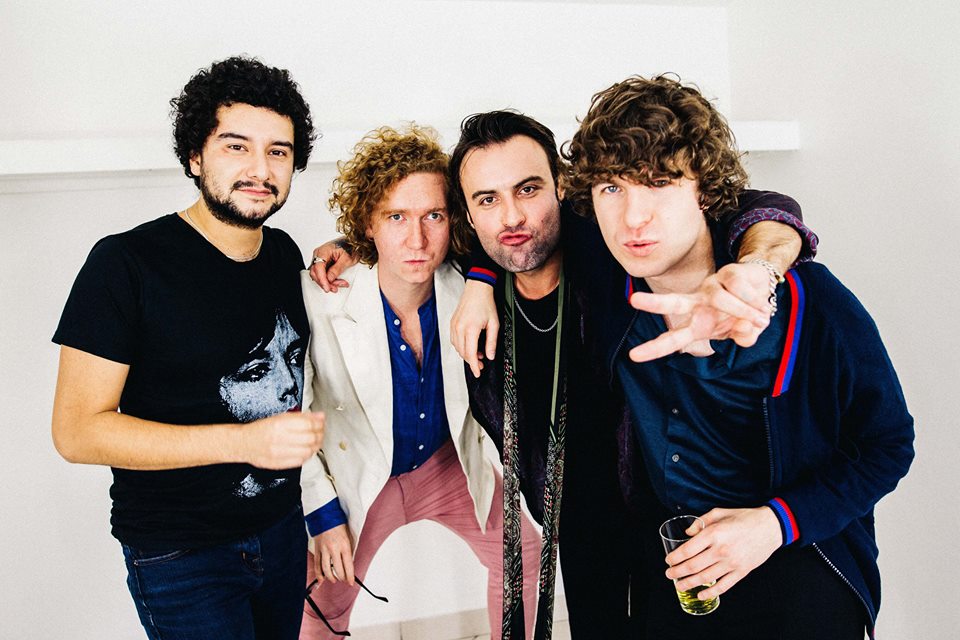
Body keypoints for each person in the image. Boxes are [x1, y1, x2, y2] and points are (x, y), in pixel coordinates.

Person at [563, 74, 914, 639]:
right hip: (675, 566)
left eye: (659, 183)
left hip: (798, 555)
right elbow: (509, 224)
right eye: (611, 188)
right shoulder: (607, 285)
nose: (632, 218)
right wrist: (478, 281)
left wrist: (774, 525)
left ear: (703, 190)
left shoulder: (811, 302)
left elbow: (888, 444)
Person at [444, 109, 816, 639]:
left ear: (562, 186)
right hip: (569, 519)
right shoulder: (473, 279)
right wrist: (477, 277)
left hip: (660, 510)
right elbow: (399, 234)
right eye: (487, 199)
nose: (511, 216)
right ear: (468, 212)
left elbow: (766, 207)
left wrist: (758, 269)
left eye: (528, 189)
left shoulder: (611, 251)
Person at [51, 56, 324, 640]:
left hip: (281, 530)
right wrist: (243, 442)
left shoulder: (282, 254)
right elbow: (76, 432)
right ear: (195, 156)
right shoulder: (125, 264)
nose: (260, 169)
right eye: (236, 146)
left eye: (278, 151)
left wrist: (345, 250)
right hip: (181, 555)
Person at [297, 125, 540, 640]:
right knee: (321, 604)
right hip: (360, 476)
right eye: (396, 217)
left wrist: (480, 282)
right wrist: (321, 515)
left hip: (444, 466)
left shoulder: (470, 283)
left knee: (523, 555)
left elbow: (509, 243)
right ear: (368, 223)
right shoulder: (319, 298)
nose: (417, 239)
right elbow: (289, 414)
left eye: (434, 215)